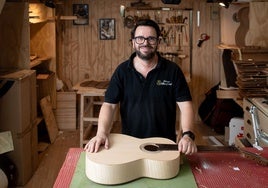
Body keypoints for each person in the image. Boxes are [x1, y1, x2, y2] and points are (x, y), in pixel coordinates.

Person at [84, 19, 197, 155]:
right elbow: (109, 105)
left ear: (158, 42)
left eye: (151, 38)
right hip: (130, 143)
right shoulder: (122, 71)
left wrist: (187, 135)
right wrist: (101, 133)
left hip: (164, 145)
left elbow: (185, 105)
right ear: (133, 42)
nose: (145, 43)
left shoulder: (173, 71)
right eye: (140, 38)